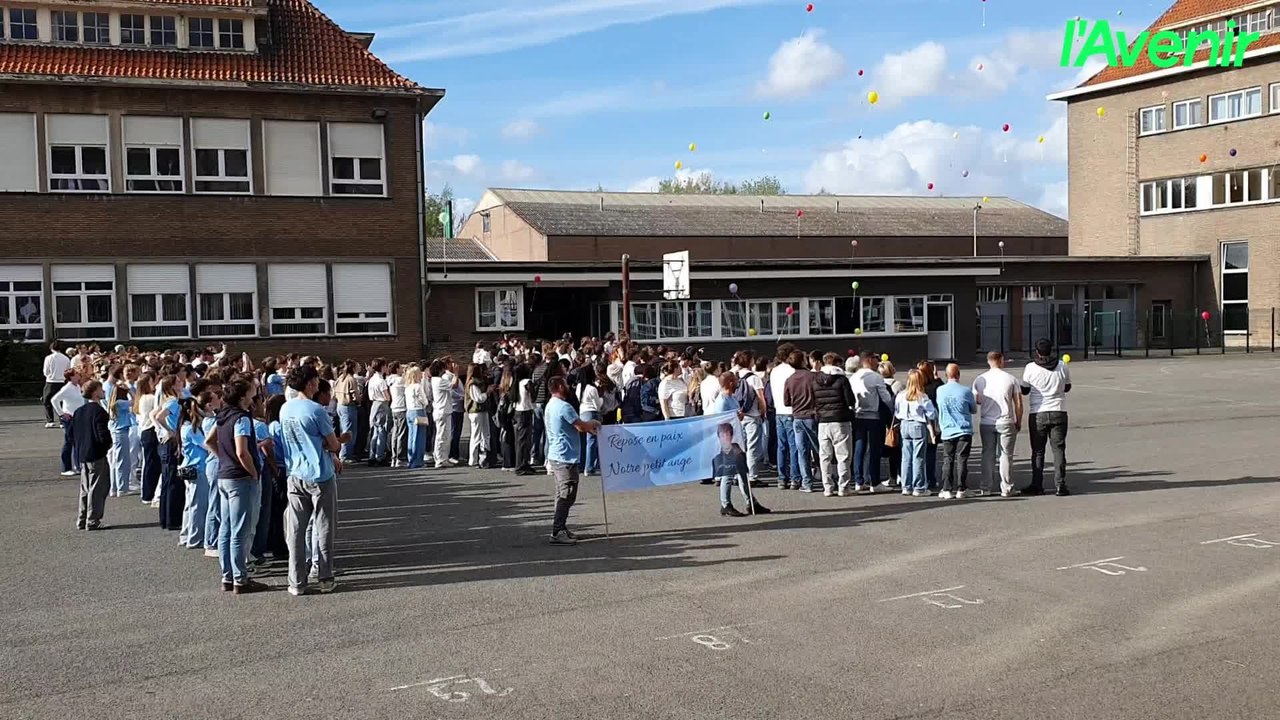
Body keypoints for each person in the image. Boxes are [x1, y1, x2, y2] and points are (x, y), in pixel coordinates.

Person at [280, 365, 346, 596]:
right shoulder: (316, 410)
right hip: (319, 473)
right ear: (309, 383)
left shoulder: (285, 408)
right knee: (324, 527)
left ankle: (296, 580)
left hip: (295, 472)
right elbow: (333, 443)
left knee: (297, 530)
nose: (318, 384)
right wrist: (338, 442)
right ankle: (325, 577)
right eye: (316, 381)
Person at [210, 379, 268, 594]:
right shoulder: (242, 419)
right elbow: (242, 451)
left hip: (225, 475)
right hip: (240, 478)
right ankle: (240, 577)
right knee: (240, 530)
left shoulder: (222, 417)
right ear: (243, 396)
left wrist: (224, 459)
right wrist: (253, 472)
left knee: (226, 528)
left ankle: (228, 575)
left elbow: (210, 441)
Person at [544, 376, 601, 545]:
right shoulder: (564, 406)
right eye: (566, 384)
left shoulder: (551, 405)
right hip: (565, 456)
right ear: (560, 386)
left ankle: (561, 526)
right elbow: (580, 426)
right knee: (566, 494)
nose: (569, 386)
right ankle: (557, 530)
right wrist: (593, 423)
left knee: (561, 493)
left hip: (557, 454)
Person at [1022, 339, 1071, 497]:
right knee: (1058, 450)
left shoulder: (1030, 367)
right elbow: (1067, 387)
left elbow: (1025, 390)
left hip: (1038, 412)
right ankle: (1060, 484)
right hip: (1058, 410)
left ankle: (1037, 484)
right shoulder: (1062, 365)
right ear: (1051, 350)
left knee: (1038, 451)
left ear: (1037, 352)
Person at [973, 351, 1023, 497]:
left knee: (988, 454)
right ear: (1001, 360)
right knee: (1006, 455)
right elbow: (1018, 403)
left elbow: (976, 400)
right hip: (1006, 421)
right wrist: (1018, 420)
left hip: (987, 422)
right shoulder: (1011, 379)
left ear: (988, 361)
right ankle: (1007, 487)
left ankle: (986, 487)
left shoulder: (980, 379)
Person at [814, 352, 857, 497]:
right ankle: (843, 487)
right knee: (843, 455)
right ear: (837, 363)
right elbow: (850, 401)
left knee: (825, 456)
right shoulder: (842, 379)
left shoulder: (815, 380)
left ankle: (827, 487)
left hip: (822, 421)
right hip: (840, 420)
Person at [848, 352, 892, 493]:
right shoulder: (876, 377)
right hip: (873, 416)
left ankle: (859, 481)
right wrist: (892, 412)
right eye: (875, 359)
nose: (877, 362)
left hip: (857, 415)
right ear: (868, 360)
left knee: (859, 447)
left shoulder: (854, 377)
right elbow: (886, 398)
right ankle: (874, 481)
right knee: (874, 450)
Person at [72, 380, 112, 530]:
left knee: (85, 487)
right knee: (98, 487)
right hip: (96, 453)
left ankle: (82, 518)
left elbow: (72, 434)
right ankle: (93, 519)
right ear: (95, 392)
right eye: (101, 389)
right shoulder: (99, 412)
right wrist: (107, 444)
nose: (103, 391)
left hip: (83, 452)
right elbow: (103, 434)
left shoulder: (79, 411)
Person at [178, 394, 214, 549]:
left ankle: (186, 535)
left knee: (191, 504)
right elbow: (206, 445)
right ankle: (195, 537)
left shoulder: (185, 427)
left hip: (191, 467)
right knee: (198, 505)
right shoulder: (190, 429)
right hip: (198, 468)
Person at [894, 369, 938, 498]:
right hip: (918, 425)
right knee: (918, 457)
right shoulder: (922, 396)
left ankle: (906, 485)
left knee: (906, 457)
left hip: (904, 424)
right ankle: (919, 486)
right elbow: (931, 414)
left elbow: (896, 412)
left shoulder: (901, 395)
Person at [935, 364, 976, 500]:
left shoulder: (940, 390)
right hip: (963, 429)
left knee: (948, 459)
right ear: (958, 374)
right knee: (962, 459)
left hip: (947, 429)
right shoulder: (966, 391)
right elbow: (974, 409)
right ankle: (961, 488)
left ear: (946, 375)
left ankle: (947, 488)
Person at [152, 375, 185, 531]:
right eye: (178, 382)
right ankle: (173, 519)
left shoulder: (165, 400)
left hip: (166, 443)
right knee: (173, 481)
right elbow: (158, 417)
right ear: (172, 386)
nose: (181, 383)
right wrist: (169, 430)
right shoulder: (172, 401)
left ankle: (165, 518)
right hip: (172, 442)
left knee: (167, 480)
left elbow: (153, 415)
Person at [782, 351, 818, 493]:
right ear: (803, 361)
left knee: (801, 451)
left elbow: (786, 402)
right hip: (812, 415)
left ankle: (807, 482)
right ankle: (829, 479)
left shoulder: (789, 379)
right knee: (819, 448)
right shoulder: (812, 377)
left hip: (797, 417)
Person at [733, 352, 767, 487]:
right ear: (750, 361)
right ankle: (752, 476)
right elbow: (760, 397)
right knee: (753, 447)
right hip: (752, 415)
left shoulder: (734, 376)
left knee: (740, 447)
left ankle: (738, 474)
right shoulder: (754, 378)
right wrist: (763, 412)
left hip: (738, 415)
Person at [770, 345, 798, 489]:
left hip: (778, 410)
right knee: (794, 446)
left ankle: (782, 478)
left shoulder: (774, 371)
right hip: (791, 410)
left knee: (781, 446)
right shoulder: (793, 371)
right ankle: (794, 477)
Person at [51, 368, 84, 477]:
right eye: (76, 374)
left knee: (77, 442)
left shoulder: (77, 386)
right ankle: (66, 468)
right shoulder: (67, 388)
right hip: (70, 418)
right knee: (69, 442)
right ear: (71, 377)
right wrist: (61, 413)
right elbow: (54, 400)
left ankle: (78, 465)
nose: (79, 375)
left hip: (78, 417)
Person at [918, 360, 944, 491]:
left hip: (917, 422)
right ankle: (930, 479)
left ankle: (917, 479)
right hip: (933, 422)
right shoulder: (936, 386)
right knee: (930, 452)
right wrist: (937, 378)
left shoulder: (917, 386)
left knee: (917, 453)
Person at [134, 373, 161, 503]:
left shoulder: (140, 397)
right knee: (152, 464)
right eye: (152, 382)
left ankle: (148, 492)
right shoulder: (150, 398)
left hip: (145, 431)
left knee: (150, 463)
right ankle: (148, 494)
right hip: (150, 431)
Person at [105, 382, 135, 497]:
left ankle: (114, 487)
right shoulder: (121, 403)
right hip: (122, 433)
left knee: (115, 461)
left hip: (115, 432)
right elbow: (135, 401)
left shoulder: (113, 403)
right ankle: (122, 488)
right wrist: (129, 390)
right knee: (122, 461)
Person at [879, 360, 904, 489]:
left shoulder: (879, 385)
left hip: (882, 421)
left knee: (884, 448)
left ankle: (890, 476)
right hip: (895, 421)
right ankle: (898, 475)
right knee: (896, 450)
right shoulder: (898, 385)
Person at [429, 358, 459, 469]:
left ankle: (441, 458)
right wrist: (456, 373)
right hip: (443, 411)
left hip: (440, 410)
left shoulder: (434, 380)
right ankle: (440, 459)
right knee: (442, 436)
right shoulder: (439, 381)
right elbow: (454, 385)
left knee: (442, 435)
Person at [465, 363, 493, 468]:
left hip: (482, 410)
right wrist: (488, 392)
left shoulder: (478, 382)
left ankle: (484, 457)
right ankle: (473, 459)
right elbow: (478, 398)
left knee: (485, 434)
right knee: (476, 435)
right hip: (476, 411)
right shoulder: (472, 384)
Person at [576, 364, 601, 475]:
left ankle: (581, 465)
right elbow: (597, 405)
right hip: (591, 412)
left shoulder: (579, 387)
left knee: (582, 440)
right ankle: (589, 467)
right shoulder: (592, 388)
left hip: (582, 412)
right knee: (591, 440)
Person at [334, 361, 361, 463]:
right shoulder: (351, 379)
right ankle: (345, 455)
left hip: (340, 405)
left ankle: (344, 453)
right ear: (353, 368)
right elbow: (355, 394)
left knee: (343, 429)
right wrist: (359, 401)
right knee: (349, 431)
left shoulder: (341, 378)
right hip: (349, 406)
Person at [365, 359, 390, 466]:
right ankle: (379, 456)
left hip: (374, 404)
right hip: (382, 404)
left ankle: (372, 454)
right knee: (382, 430)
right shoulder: (381, 381)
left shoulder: (372, 379)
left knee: (375, 431)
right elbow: (386, 396)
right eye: (385, 366)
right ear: (382, 367)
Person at [41, 340, 72, 428]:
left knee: (47, 401)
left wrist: (49, 375)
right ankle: (62, 421)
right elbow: (68, 370)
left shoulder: (49, 358)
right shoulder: (66, 358)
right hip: (62, 382)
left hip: (50, 381)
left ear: (51, 348)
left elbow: (45, 371)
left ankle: (50, 420)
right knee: (61, 401)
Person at [404, 366, 429, 469]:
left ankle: (411, 459)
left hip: (409, 411)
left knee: (411, 436)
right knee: (419, 437)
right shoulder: (418, 386)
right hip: (418, 411)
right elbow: (424, 400)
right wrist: (426, 403)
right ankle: (418, 461)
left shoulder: (407, 387)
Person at [512, 363, 535, 475]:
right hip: (525, 411)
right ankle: (521, 465)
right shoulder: (527, 382)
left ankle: (524, 463)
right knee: (524, 440)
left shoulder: (516, 382)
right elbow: (533, 397)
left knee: (521, 440)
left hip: (518, 410)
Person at [387, 363, 407, 468]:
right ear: (397, 369)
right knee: (401, 434)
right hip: (401, 407)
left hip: (394, 407)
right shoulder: (399, 380)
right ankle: (400, 457)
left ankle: (394, 457)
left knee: (395, 433)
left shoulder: (389, 379)